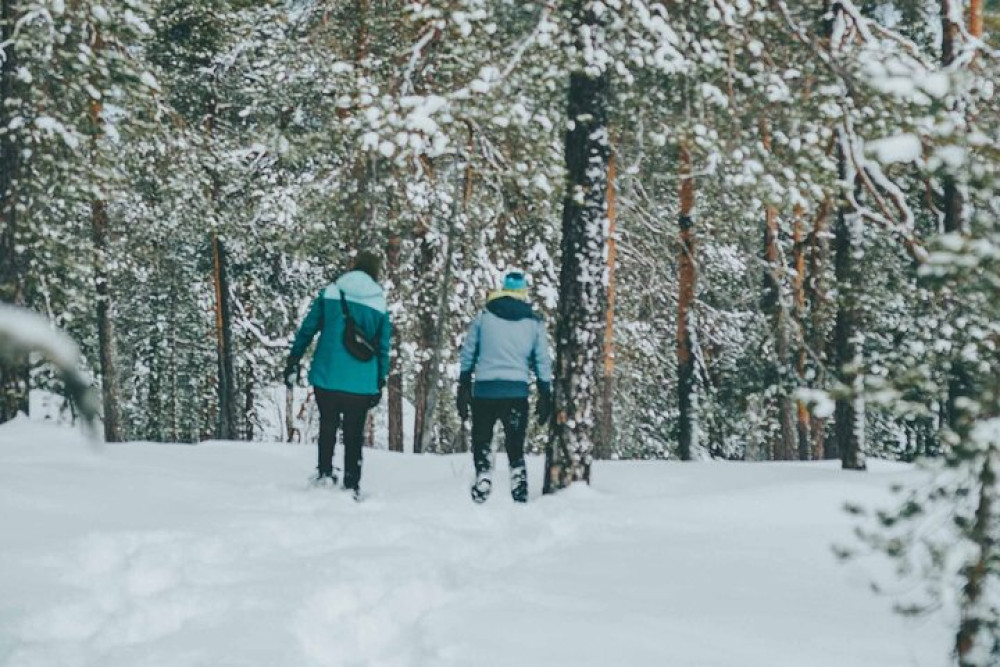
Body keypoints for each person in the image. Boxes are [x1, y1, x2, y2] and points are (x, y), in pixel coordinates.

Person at [284, 251, 390, 500]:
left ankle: (324, 473)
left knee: (328, 425)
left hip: (327, 375)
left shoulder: (332, 292)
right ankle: (352, 483)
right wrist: (380, 380)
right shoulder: (379, 302)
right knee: (354, 433)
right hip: (362, 382)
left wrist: (294, 359)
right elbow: (384, 347)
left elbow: (308, 329)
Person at [457, 270, 553, 503]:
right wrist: (544, 390)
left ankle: (483, 474)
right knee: (515, 441)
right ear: (523, 292)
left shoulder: (484, 317)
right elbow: (541, 359)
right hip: (516, 391)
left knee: (482, 438)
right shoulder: (533, 322)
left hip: (485, 390)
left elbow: (469, 351)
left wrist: (463, 383)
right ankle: (518, 480)